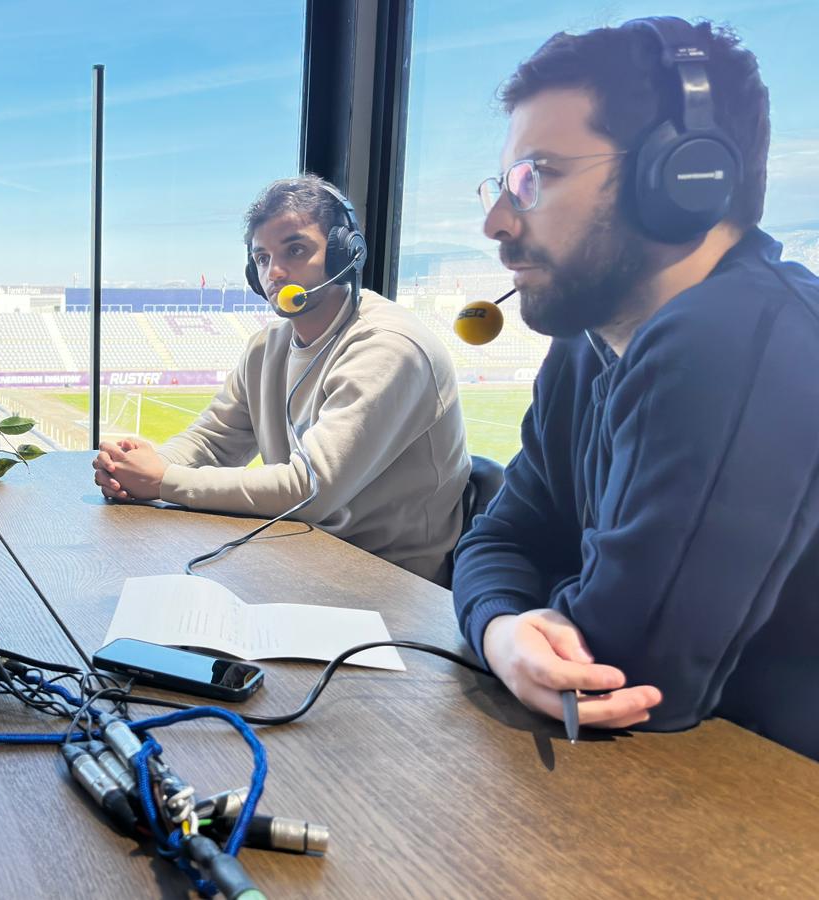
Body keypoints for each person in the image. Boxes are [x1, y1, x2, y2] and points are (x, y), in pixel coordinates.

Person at [452, 18, 819, 760]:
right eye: (503, 183)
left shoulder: (741, 336)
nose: (496, 221)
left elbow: (624, 669)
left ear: (682, 177)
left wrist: (530, 614)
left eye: (537, 176)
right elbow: (499, 535)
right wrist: (503, 629)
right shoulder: (587, 344)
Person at [93, 175, 470, 584]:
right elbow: (212, 441)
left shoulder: (389, 348)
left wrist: (163, 481)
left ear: (346, 252)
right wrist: (138, 468)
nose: (275, 271)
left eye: (296, 249)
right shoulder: (266, 347)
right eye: (262, 258)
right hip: (302, 553)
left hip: (389, 584)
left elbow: (308, 491)